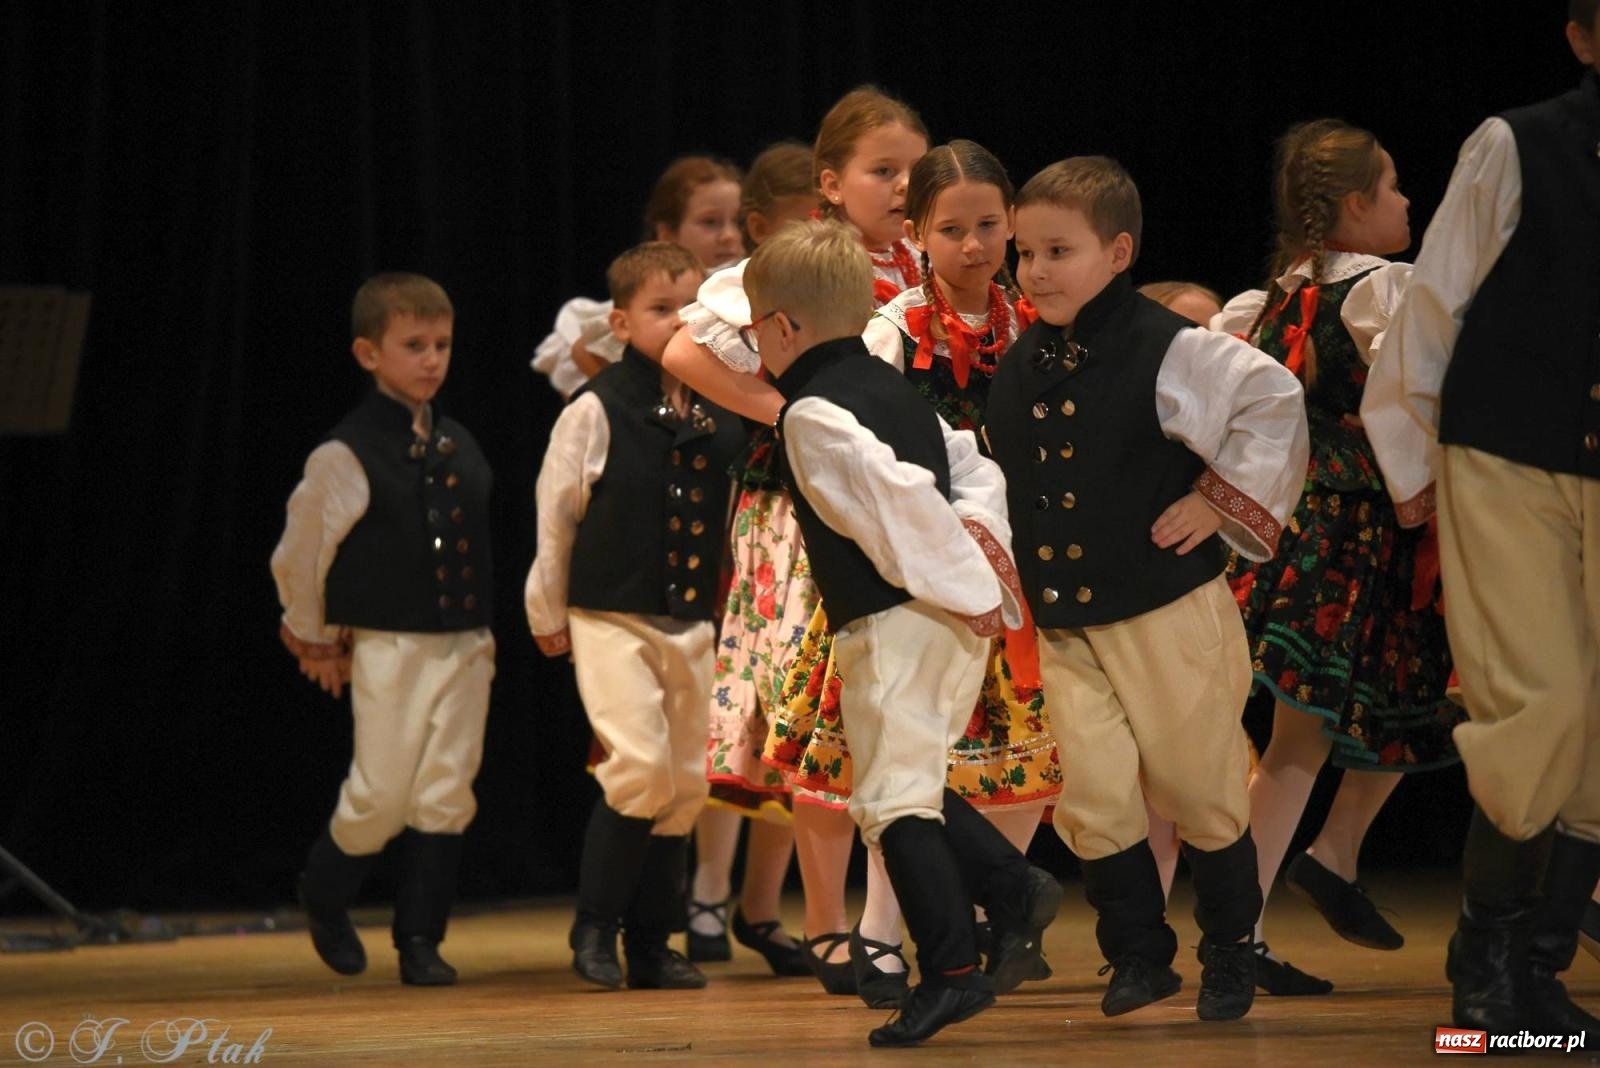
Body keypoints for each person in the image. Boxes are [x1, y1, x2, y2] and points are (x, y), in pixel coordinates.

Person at [986, 156, 1308, 1022]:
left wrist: (1215, 500)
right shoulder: (1021, 363)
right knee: (1094, 796)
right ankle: (1138, 955)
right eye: (1025, 252)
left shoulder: (1170, 346)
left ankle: (1232, 950)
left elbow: (1274, 399)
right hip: (1067, 621)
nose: (1036, 270)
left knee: (1199, 784)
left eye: (1059, 250)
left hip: (1165, 608)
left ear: (1119, 251)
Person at [748, 218, 1061, 1048]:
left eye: (754, 326)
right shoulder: (892, 388)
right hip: (945, 619)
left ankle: (953, 974)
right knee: (908, 781)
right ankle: (1012, 883)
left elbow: (893, 501)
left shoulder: (811, 413)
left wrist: (955, 580)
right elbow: (966, 469)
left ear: (782, 327)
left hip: (899, 621)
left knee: (892, 802)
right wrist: (976, 577)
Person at [661, 85, 931, 1007]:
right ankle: (826, 921)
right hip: (803, 513)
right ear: (831, 181)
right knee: (826, 710)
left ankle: (902, 920)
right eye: (882, 171)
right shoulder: (803, 262)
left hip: (901, 508)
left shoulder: (926, 264)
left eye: (911, 171)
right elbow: (686, 351)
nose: (902, 187)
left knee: (906, 711)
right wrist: (786, 410)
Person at [1360, 0, 1600, 1035]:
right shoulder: (1519, 143)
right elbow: (1434, 302)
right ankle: (1485, 972)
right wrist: (1414, 472)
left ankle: (1534, 979)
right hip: (1508, 455)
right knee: (1535, 705)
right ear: (1583, 37)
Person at [1214, 119, 1460, 996]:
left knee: (1367, 716)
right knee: (1305, 737)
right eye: (1392, 187)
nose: (1406, 201)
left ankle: (1325, 861)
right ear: (1356, 204)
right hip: (1356, 529)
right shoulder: (1388, 289)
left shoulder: (1274, 298)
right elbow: (1411, 402)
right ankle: (1236, 926)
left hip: (1294, 526)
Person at [525, 242, 746, 990]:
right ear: (620, 322)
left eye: (694, 310)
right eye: (661, 309)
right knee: (639, 769)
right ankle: (595, 929)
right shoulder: (596, 408)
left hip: (689, 618)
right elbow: (557, 515)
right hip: (610, 613)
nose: (680, 322)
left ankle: (653, 945)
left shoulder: (717, 410)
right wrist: (546, 607)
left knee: (685, 782)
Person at [272, 272, 494, 987]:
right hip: (390, 645)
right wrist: (313, 635)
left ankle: (420, 940)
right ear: (369, 354)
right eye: (414, 345)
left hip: (465, 641)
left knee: (446, 790)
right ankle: (326, 889)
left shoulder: (457, 441)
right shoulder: (345, 452)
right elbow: (301, 556)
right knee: (380, 793)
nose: (432, 359)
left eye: (442, 344)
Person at [690, 141, 820, 976]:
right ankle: (706, 893)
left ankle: (764, 907)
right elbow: (684, 353)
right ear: (762, 227)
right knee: (748, 704)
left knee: (791, 714)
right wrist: (786, 410)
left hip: (817, 505)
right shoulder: (735, 301)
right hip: (754, 507)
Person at [532, 156, 743, 399]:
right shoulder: (637, 306)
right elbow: (582, 351)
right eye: (710, 222)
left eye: (738, 222)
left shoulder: (744, 290)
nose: (729, 235)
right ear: (666, 233)